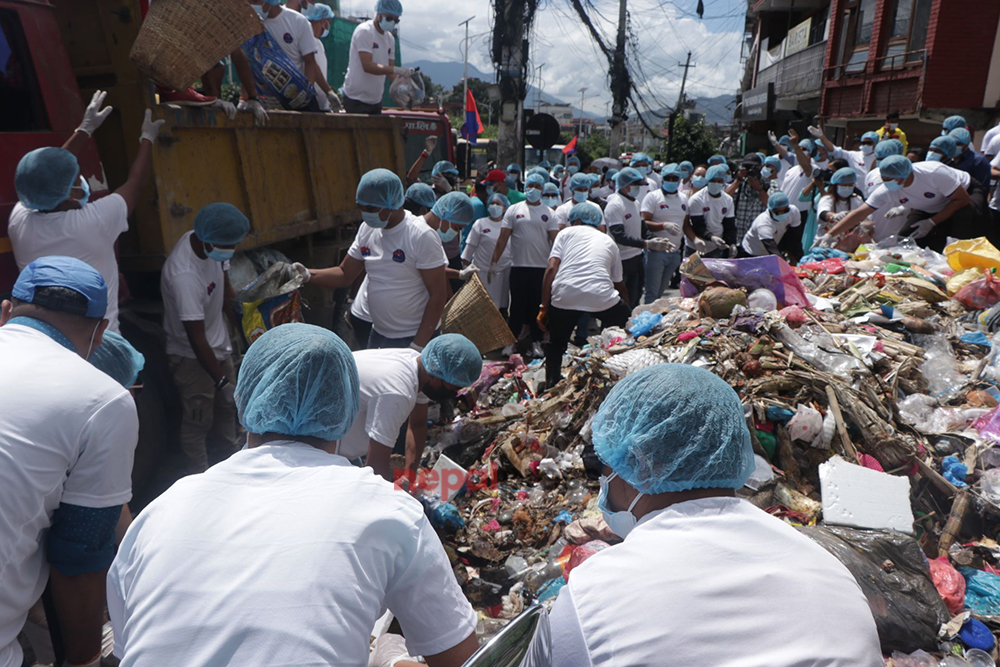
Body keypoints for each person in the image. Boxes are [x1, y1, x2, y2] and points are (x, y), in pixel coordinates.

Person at [107, 324, 480, 667]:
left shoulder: (159, 512)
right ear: (346, 409)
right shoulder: (390, 511)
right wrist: (392, 658)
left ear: (246, 397)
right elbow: (461, 658)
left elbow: (128, 648)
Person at [547, 363, 882, 666]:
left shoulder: (592, 599)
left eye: (605, 467)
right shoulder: (827, 568)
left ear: (640, 463)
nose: (604, 481)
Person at [0, 257, 138, 667]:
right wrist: (83, 660)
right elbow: (80, 551)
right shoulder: (103, 399)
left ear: (6, 310)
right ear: (101, 334)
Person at [10, 95, 164, 333]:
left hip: (50, 341)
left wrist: (85, 129)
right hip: (99, 344)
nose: (82, 181)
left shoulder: (19, 220)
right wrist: (147, 138)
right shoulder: (93, 222)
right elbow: (137, 184)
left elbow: (45, 174)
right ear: (69, 193)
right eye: (76, 178)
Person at [308, 169, 448, 350]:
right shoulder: (367, 229)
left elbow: (437, 295)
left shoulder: (420, 235)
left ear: (393, 203)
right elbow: (344, 273)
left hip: (413, 337)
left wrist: (417, 347)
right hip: (379, 335)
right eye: (362, 207)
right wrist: (306, 274)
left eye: (371, 209)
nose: (365, 214)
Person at [162, 203, 248, 474]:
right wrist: (220, 381)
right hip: (191, 357)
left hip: (218, 348)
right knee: (198, 420)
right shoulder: (184, 275)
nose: (230, 250)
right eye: (228, 245)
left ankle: (229, 467)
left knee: (228, 411)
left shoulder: (212, 245)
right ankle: (198, 475)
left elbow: (226, 293)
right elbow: (195, 337)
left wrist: (248, 332)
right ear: (206, 241)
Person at [339, 333, 482, 481]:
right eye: (452, 388)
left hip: (344, 440)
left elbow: (418, 425)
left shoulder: (418, 364)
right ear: (436, 374)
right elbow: (376, 465)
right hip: (326, 446)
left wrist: (409, 477)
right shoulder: (398, 392)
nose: (454, 394)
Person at [538, 202, 629, 387]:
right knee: (622, 331)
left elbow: (550, 270)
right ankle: (617, 374)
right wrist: (628, 311)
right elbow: (618, 282)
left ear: (577, 220)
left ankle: (551, 384)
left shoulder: (565, 233)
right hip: (600, 296)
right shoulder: (608, 240)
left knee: (556, 344)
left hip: (565, 296)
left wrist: (544, 307)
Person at [828, 155, 987, 252]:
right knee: (905, 238)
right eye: (884, 179)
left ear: (905, 175)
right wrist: (830, 234)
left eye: (889, 179)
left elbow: (962, 199)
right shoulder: (888, 189)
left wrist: (932, 222)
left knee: (963, 222)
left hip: (965, 192)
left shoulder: (933, 173)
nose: (886, 183)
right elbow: (859, 213)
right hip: (928, 204)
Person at [490, 172, 559, 358]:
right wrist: (494, 262)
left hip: (540, 269)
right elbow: (503, 238)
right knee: (517, 308)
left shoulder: (549, 213)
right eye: (531, 186)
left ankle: (536, 342)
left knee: (537, 307)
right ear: (525, 187)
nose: (533, 190)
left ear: (542, 190)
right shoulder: (514, 210)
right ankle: (511, 342)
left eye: (537, 186)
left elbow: (555, 241)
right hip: (519, 266)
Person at [251, 0, 342, 112]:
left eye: (255, 1)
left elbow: (310, 62)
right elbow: (249, 63)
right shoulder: (254, 24)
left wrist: (305, 94)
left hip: (296, 97)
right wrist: (248, 98)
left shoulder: (297, 21)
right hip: (268, 101)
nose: (252, 5)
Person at [604, 167, 667, 308]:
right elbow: (619, 235)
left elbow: (642, 228)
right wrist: (646, 243)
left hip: (636, 257)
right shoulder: (615, 205)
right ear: (626, 186)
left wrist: (655, 240)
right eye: (636, 185)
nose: (638, 189)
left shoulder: (635, 202)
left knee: (635, 296)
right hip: (621, 260)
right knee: (618, 300)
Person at [342, 0, 413, 114]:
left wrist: (404, 86)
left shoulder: (389, 38)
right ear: (379, 13)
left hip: (375, 100)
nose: (392, 22)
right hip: (356, 99)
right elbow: (368, 66)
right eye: (389, 18)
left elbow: (390, 72)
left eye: (396, 20)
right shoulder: (365, 31)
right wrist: (395, 69)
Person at [641, 163, 686, 303]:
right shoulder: (653, 197)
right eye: (668, 177)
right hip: (656, 252)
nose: (671, 181)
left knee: (661, 291)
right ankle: (647, 321)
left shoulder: (684, 198)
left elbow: (686, 223)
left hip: (675, 252)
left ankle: (656, 319)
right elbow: (644, 223)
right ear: (662, 179)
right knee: (652, 293)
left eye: (675, 178)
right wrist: (664, 226)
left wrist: (695, 240)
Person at [463, 193, 513, 311]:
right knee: (483, 307)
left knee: (501, 305)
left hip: (504, 270)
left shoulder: (509, 226)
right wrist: (465, 268)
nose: (494, 206)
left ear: (504, 207)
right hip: (482, 271)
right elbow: (470, 247)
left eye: (498, 204)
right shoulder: (480, 224)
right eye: (492, 203)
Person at [422, 191, 477, 291]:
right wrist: (460, 274)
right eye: (457, 228)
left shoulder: (433, 236)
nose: (455, 233)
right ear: (445, 213)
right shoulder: (421, 234)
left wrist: (460, 274)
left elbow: (438, 270)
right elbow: (431, 271)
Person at [809, 126, 878, 195]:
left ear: (875, 144)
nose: (865, 145)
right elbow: (834, 150)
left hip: (871, 194)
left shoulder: (879, 158)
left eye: (869, 143)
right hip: (854, 195)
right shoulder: (852, 155)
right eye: (863, 143)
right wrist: (822, 138)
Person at [686, 164, 736, 258]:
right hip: (696, 246)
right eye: (713, 181)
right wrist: (711, 237)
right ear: (707, 181)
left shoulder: (728, 200)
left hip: (715, 247)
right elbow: (698, 226)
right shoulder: (697, 199)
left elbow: (729, 225)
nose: (716, 183)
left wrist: (732, 243)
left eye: (719, 181)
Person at [740, 192, 802, 258]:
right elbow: (772, 249)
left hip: (773, 245)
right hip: (752, 252)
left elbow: (795, 236)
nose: (782, 214)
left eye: (785, 210)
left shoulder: (793, 212)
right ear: (771, 210)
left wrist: (795, 256)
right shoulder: (763, 223)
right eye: (778, 212)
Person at [729, 153, 770, 243]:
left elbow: (772, 206)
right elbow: (724, 199)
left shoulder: (769, 183)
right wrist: (738, 180)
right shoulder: (739, 184)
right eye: (747, 166)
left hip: (759, 239)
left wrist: (760, 189)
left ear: (760, 167)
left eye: (753, 166)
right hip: (739, 238)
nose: (750, 169)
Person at [304, 3, 336, 111]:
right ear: (323, 21)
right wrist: (329, 91)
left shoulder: (319, 44)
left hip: (322, 104)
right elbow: (313, 67)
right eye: (328, 24)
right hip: (311, 103)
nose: (328, 27)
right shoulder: (305, 41)